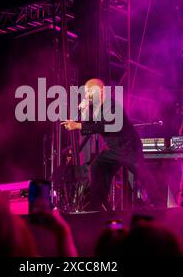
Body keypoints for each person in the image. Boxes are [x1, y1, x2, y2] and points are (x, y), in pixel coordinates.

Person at [62, 78, 163, 211]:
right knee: (97, 166)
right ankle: (96, 206)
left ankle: (159, 203)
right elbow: (90, 125)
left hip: (128, 147)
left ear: (101, 91)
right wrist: (84, 110)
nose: (87, 95)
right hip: (114, 149)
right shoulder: (95, 108)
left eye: (90, 92)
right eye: (86, 92)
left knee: (141, 173)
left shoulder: (112, 105)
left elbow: (104, 126)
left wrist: (78, 125)